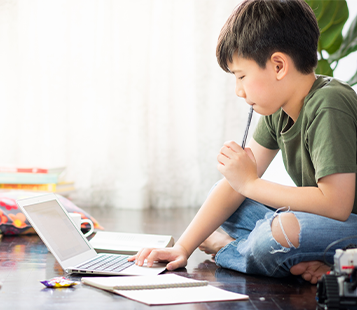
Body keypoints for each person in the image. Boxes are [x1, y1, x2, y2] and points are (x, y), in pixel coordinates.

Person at [129, 0, 357, 284]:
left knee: (279, 232)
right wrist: (183, 247)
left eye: (241, 76)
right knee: (226, 195)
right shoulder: (280, 109)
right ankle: (308, 258)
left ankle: (227, 248)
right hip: (324, 223)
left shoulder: (329, 104)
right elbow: (236, 188)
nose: (238, 90)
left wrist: (250, 184)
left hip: (348, 223)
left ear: (278, 66)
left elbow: (336, 204)